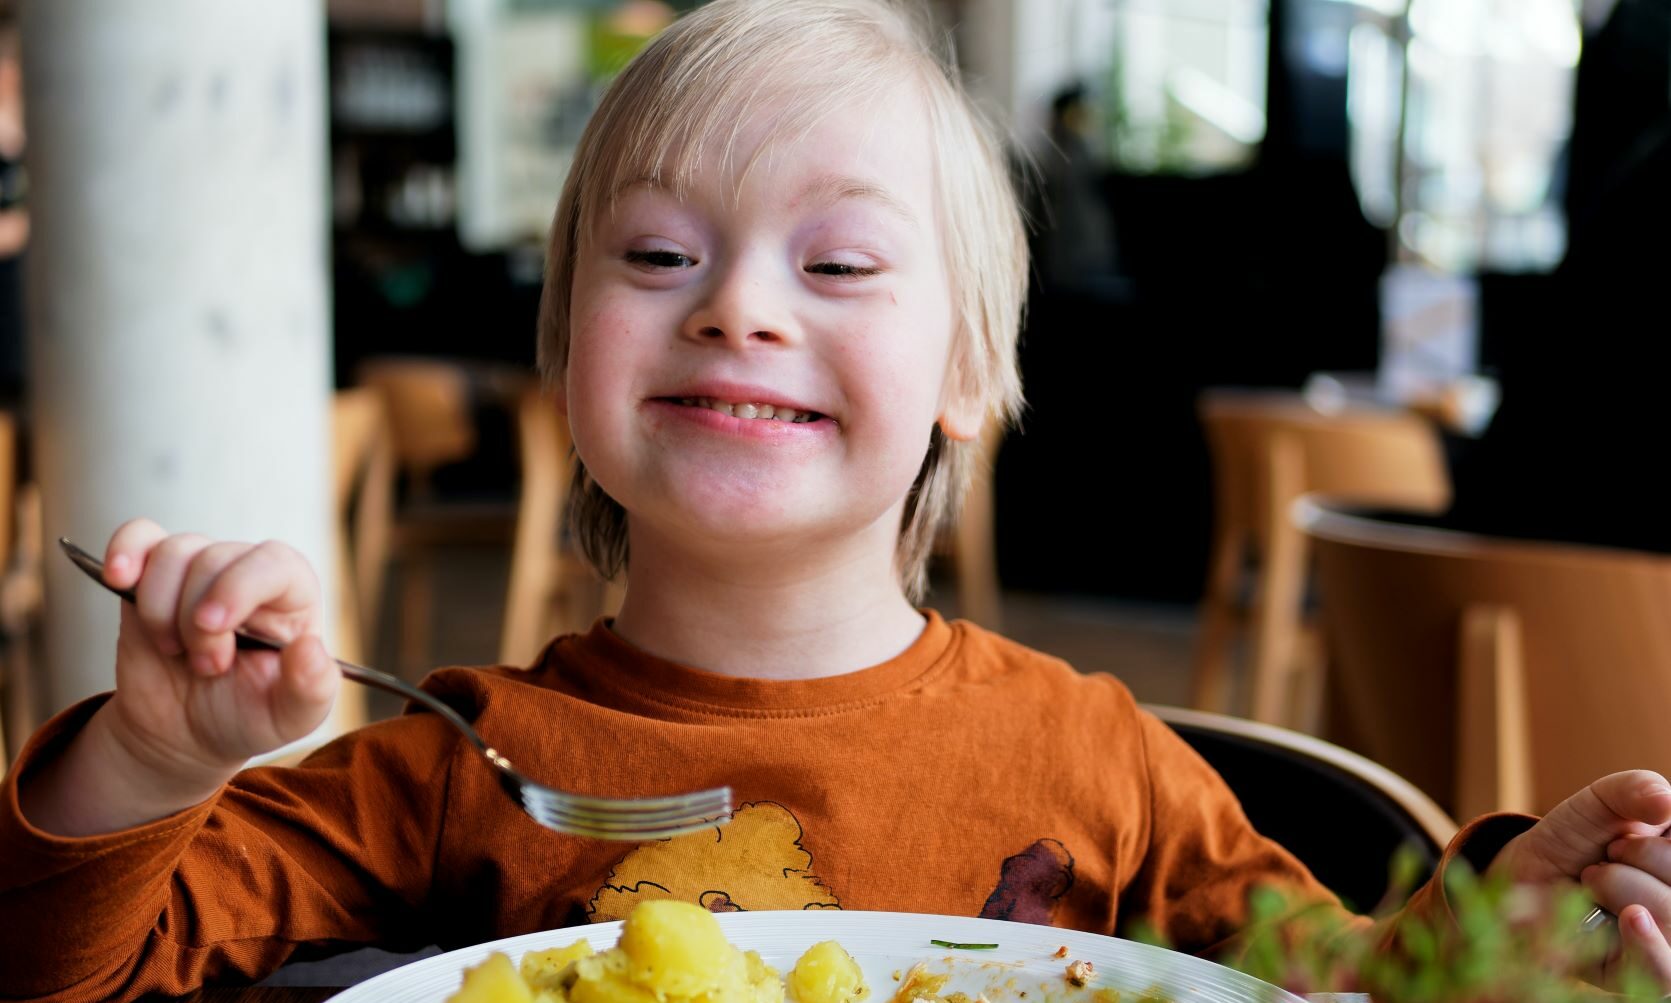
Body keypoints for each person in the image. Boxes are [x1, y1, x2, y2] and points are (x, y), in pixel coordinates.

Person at [3, 2, 1671, 1000]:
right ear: (566, 355)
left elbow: (1351, 988)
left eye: (842, 262)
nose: (738, 307)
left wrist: (1512, 934)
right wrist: (151, 757)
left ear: (967, 371)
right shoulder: (456, 762)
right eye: (656, 256)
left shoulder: (1092, 759)